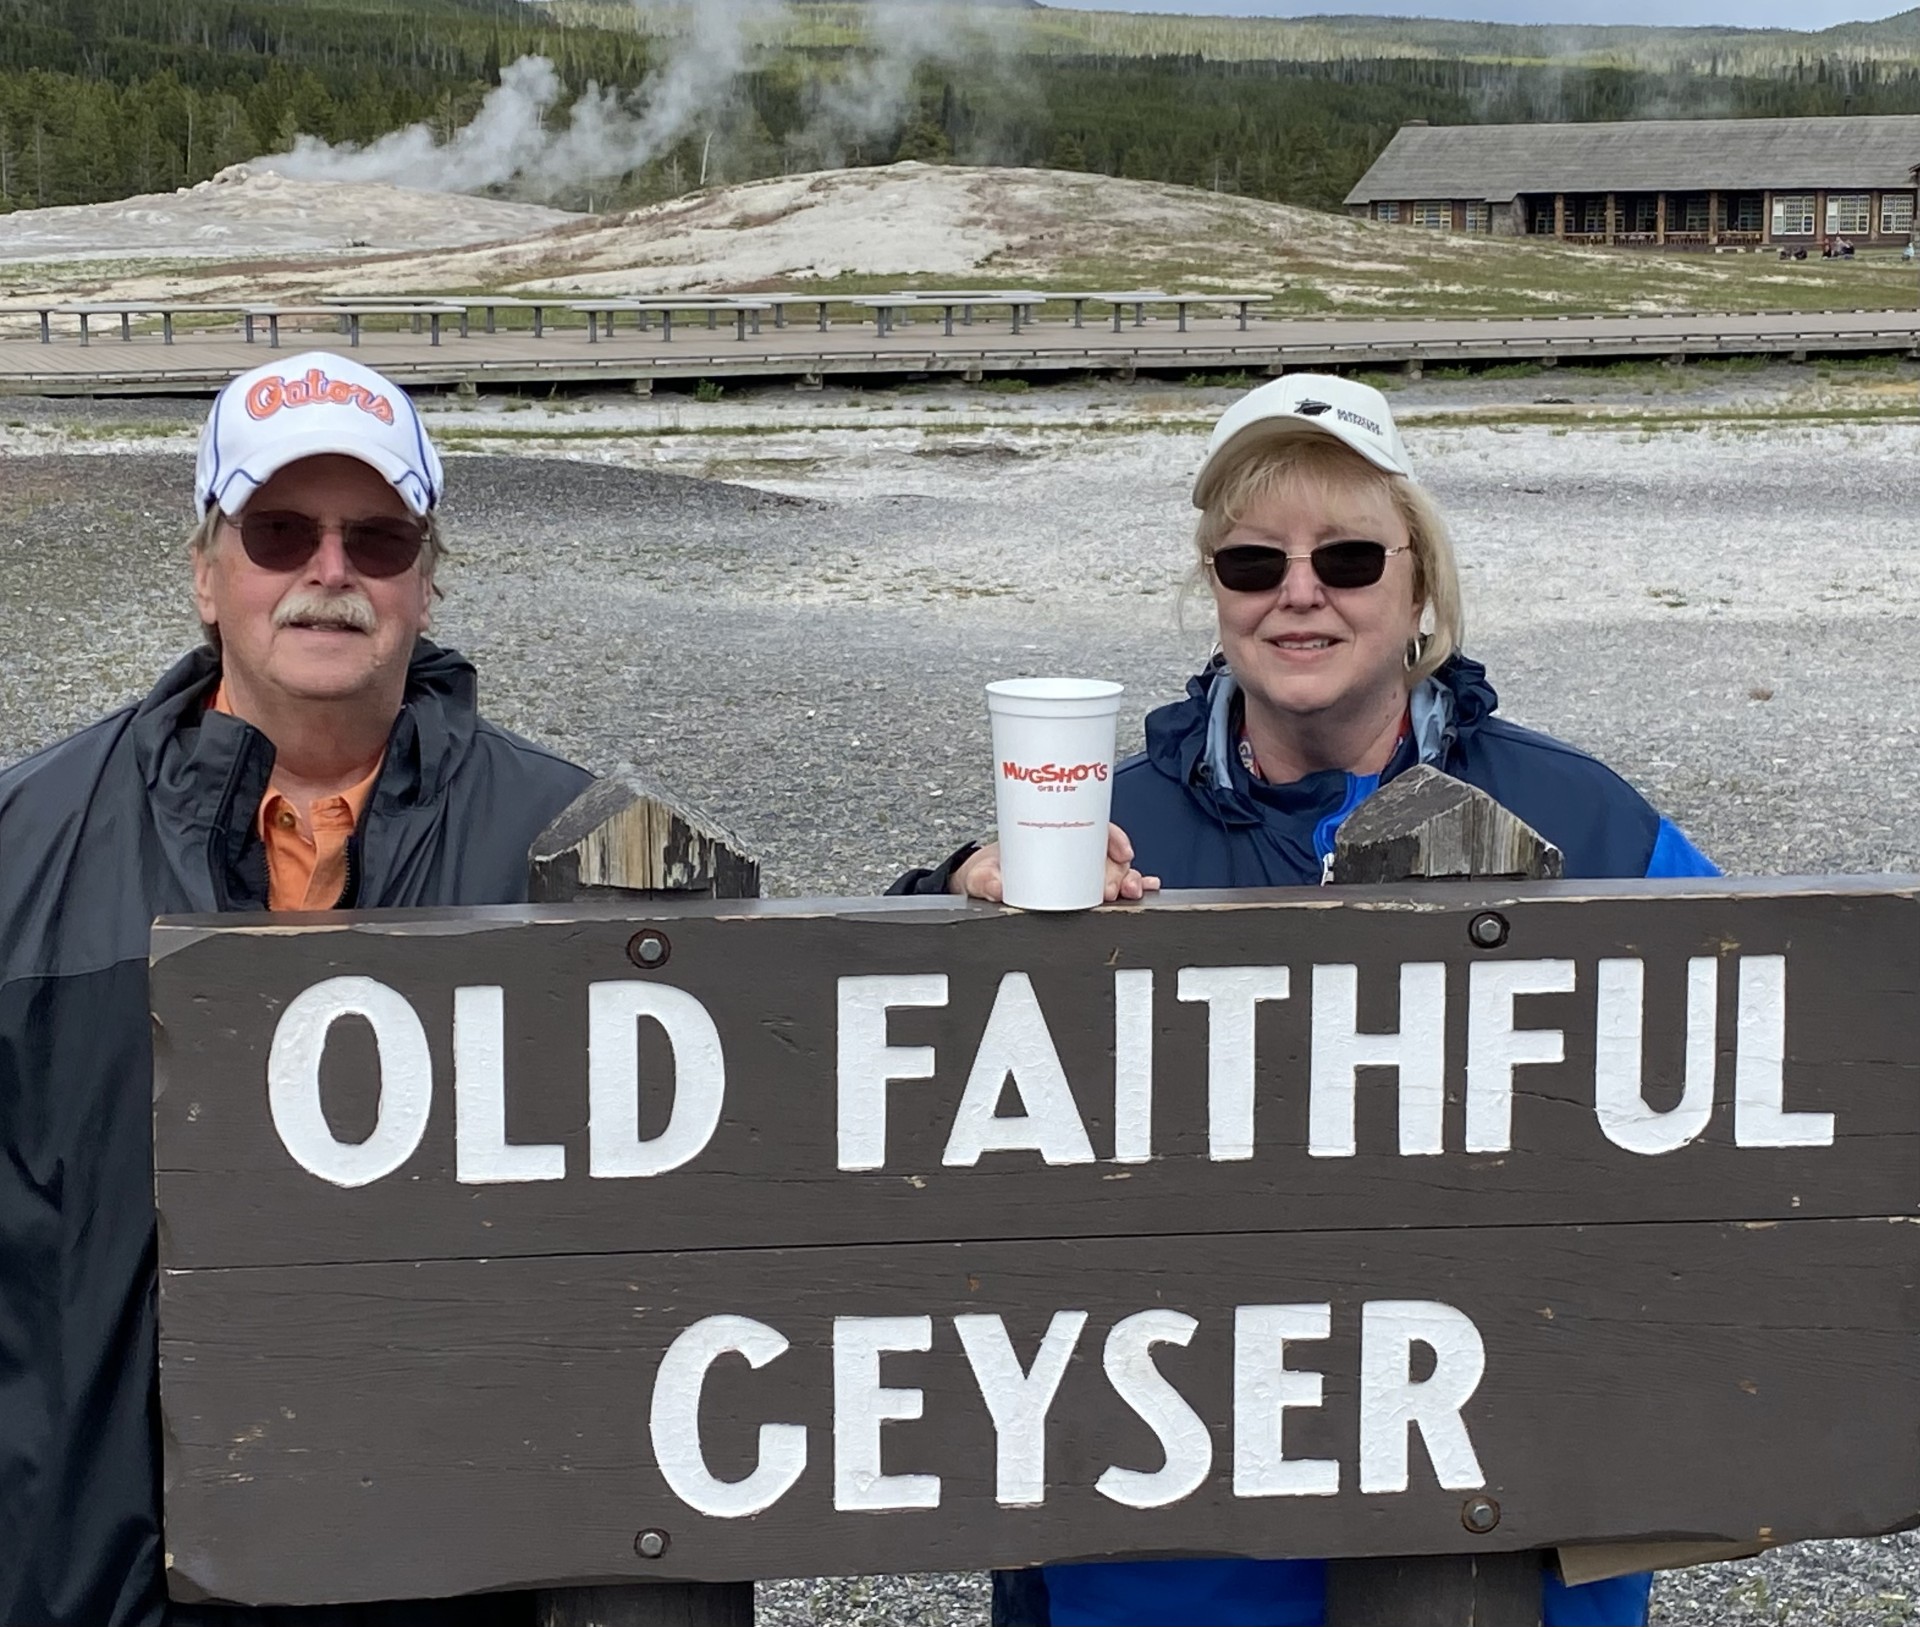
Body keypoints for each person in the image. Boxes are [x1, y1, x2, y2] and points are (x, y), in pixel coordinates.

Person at [894, 373, 1715, 1627]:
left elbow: (1768, 1065)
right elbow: (875, 1070)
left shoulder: (1587, 815)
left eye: (1346, 557)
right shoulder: (1107, 820)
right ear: (1215, 589)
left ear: (1418, 584)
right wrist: (959, 885)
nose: (1299, 592)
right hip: (1167, 1556)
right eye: (1252, 562)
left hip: (1502, 1534)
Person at [0, 353, 594, 1627]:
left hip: (449, 1575)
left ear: (427, 581)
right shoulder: (22, 845)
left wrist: (952, 892)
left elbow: (779, 1053)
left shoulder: (576, 846)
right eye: (279, 532)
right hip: (101, 1576)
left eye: (378, 539)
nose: (331, 571)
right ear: (205, 571)